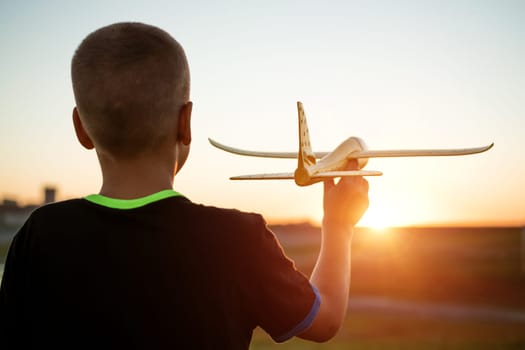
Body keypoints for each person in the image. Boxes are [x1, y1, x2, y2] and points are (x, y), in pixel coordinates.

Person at [0, 22, 369, 349]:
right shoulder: (237, 239)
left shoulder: (40, 235)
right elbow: (325, 320)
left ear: (80, 128)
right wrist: (338, 225)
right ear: (186, 122)